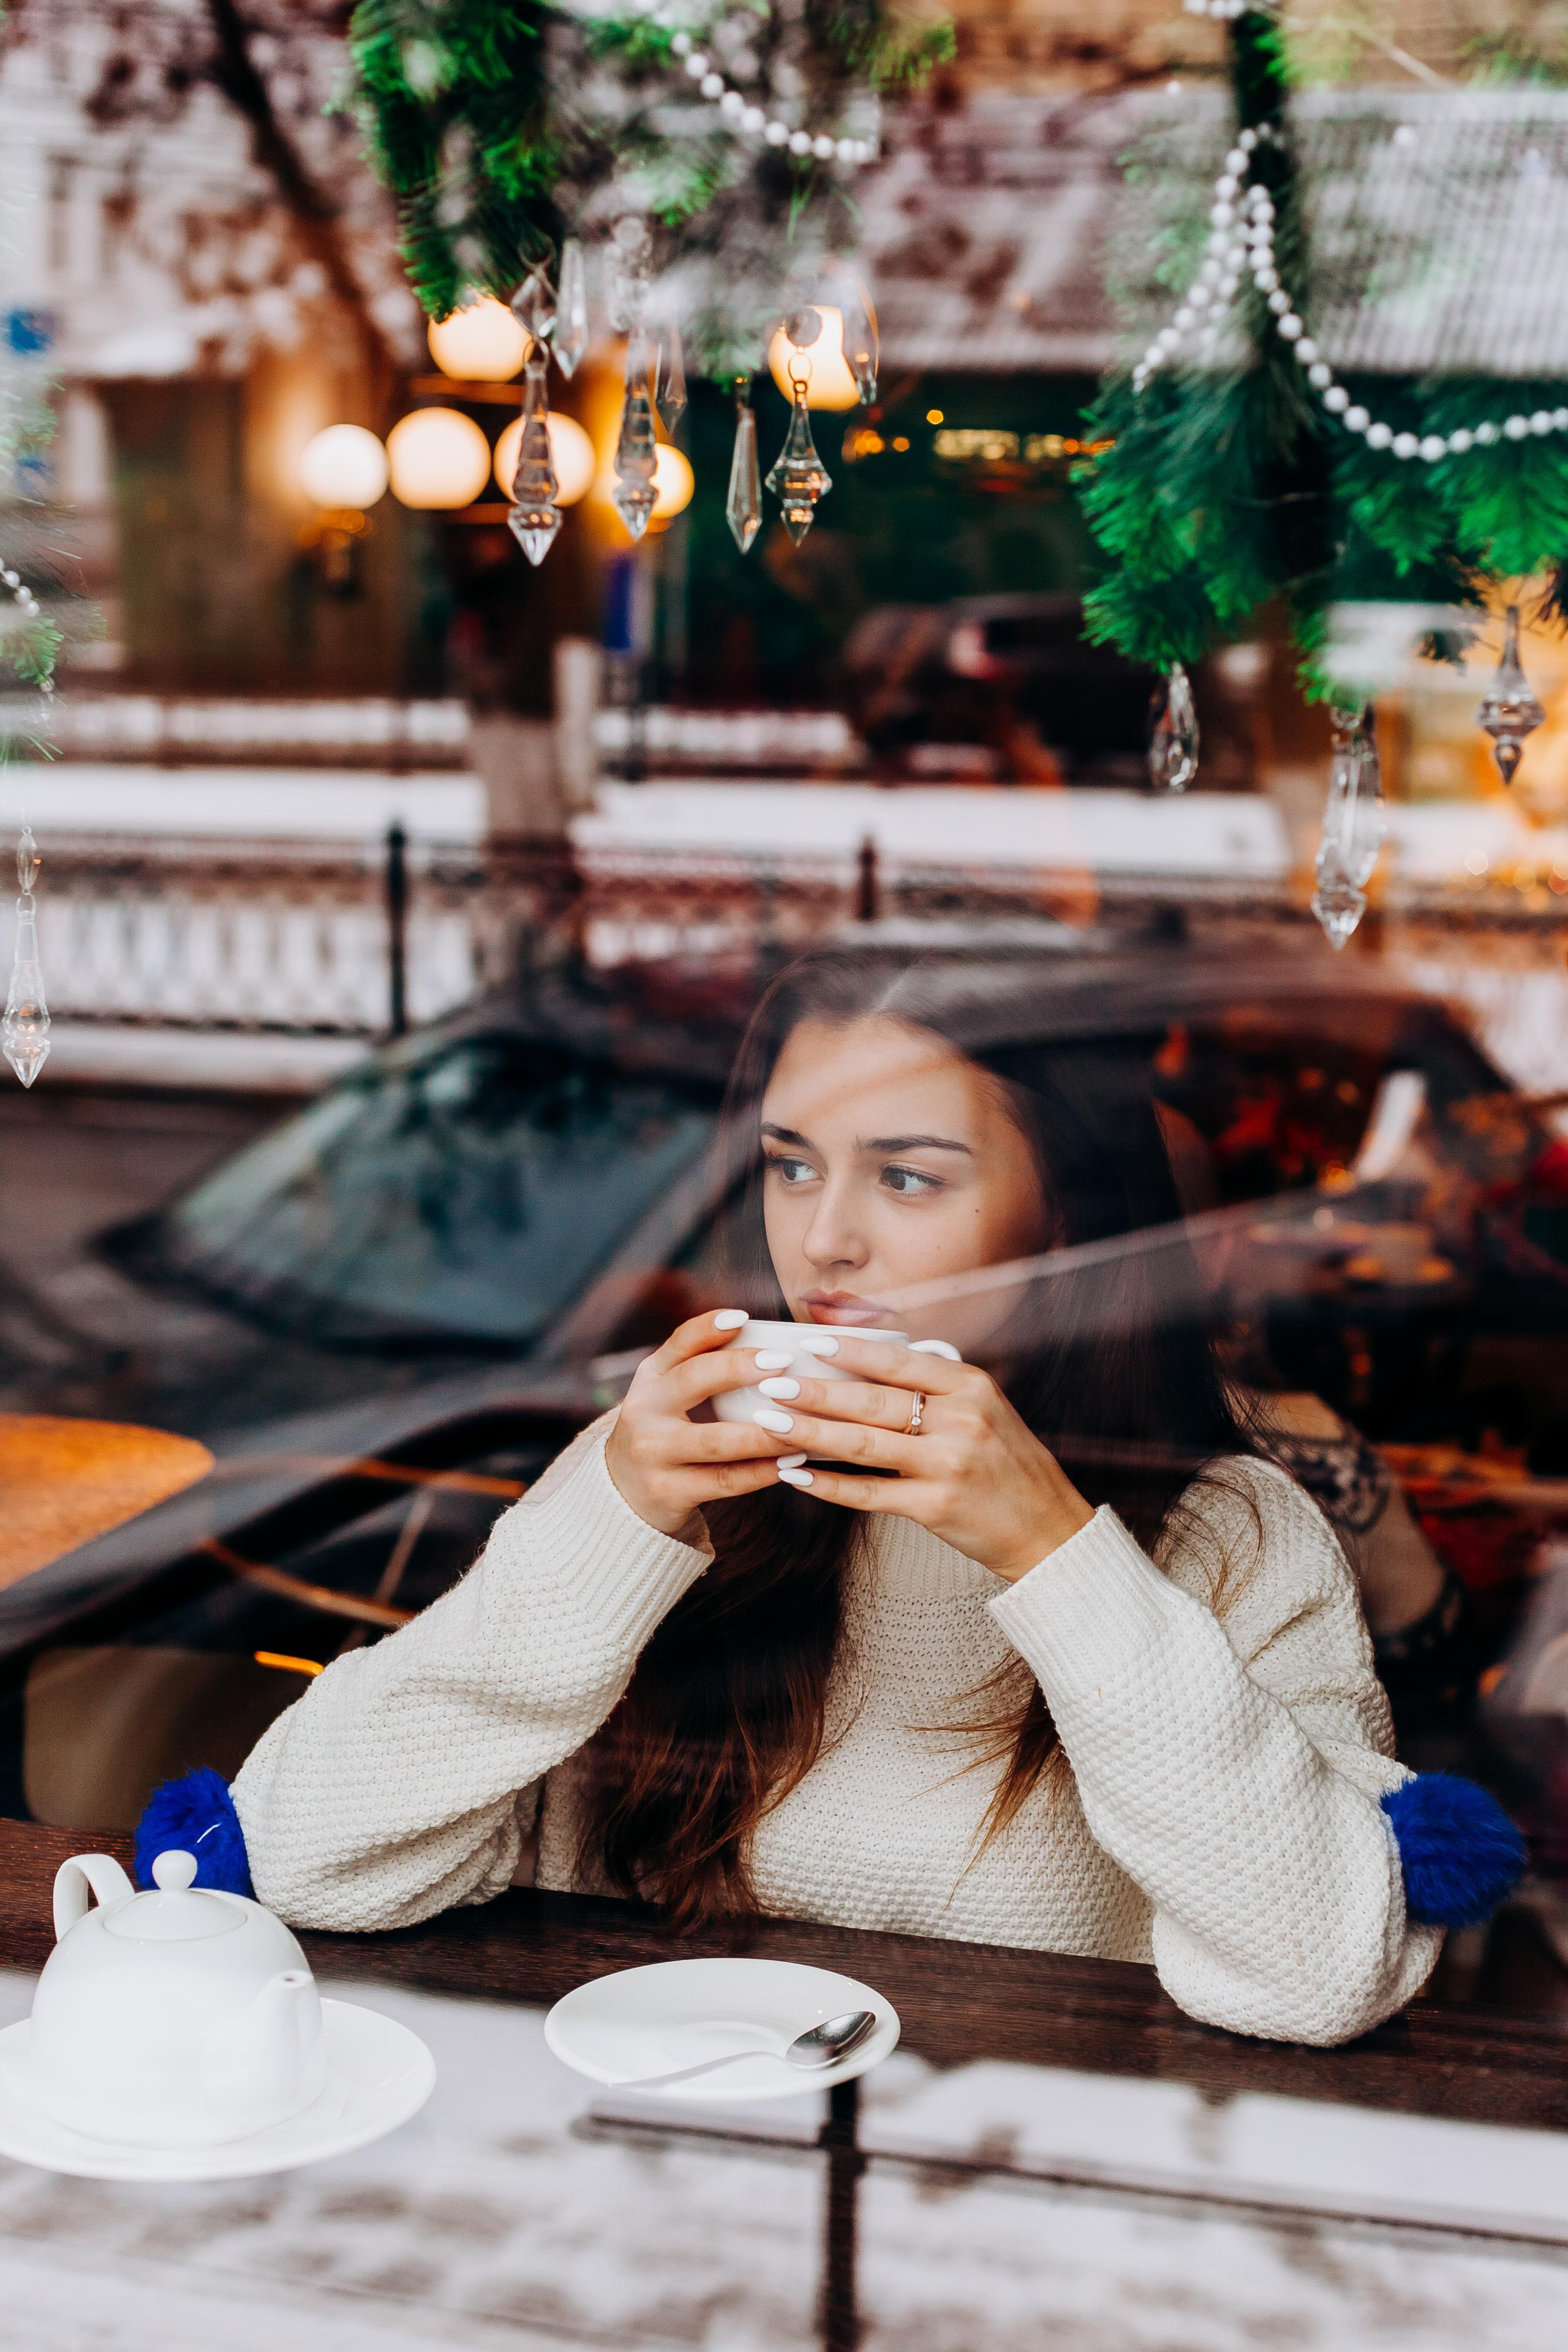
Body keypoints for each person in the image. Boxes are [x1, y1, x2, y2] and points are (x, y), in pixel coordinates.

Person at [232, 946, 1441, 2046]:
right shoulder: (677, 1470)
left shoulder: (1231, 1535)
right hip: (642, 2185)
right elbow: (304, 1861)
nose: (821, 1243)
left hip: (1010, 2222)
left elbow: (1318, 1974)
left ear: (1065, 1208)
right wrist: (612, 1522)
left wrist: (1053, 1554)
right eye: (789, 1166)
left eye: (907, 1180)